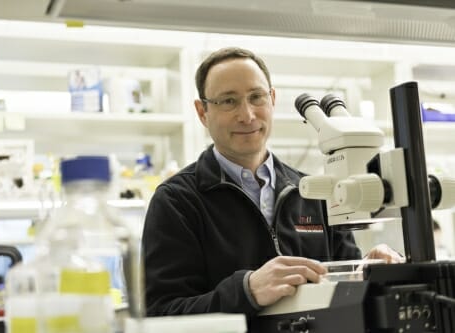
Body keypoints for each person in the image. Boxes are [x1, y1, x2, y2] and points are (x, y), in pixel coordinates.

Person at [142, 47, 402, 321]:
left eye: (256, 97)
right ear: (202, 112)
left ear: (273, 99)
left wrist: (369, 270)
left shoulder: (316, 191)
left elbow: (344, 288)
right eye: (229, 101)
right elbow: (161, 314)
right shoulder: (177, 201)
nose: (247, 115)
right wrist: (246, 291)